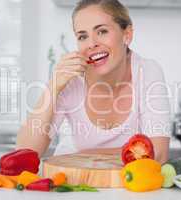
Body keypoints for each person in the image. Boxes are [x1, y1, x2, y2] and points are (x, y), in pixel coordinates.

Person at [16, 0, 171, 164]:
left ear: (127, 35)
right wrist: (53, 86)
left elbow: (158, 154)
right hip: (72, 181)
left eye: (102, 31)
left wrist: (81, 154)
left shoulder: (147, 71)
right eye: (82, 36)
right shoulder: (72, 79)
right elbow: (24, 154)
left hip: (125, 186)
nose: (91, 44)